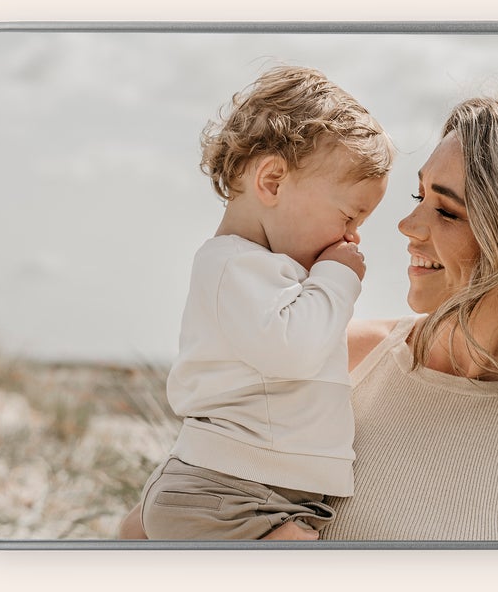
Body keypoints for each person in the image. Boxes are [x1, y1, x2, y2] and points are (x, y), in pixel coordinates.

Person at [122, 92, 498, 543]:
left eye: (447, 211)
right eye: (419, 195)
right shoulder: (334, 354)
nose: (407, 224)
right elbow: (149, 528)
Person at [137, 65, 393, 541]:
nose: (352, 236)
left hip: (257, 492)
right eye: (348, 216)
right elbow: (293, 351)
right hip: (225, 494)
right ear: (273, 182)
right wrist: (337, 277)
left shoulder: (269, 273)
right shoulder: (231, 265)